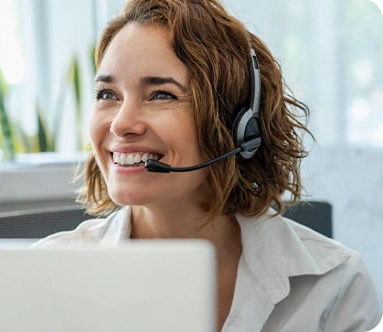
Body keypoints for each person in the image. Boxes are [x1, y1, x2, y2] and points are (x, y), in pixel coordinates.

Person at [32, 0, 383, 330]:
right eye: (107, 94)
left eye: (161, 94)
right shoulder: (44, 275)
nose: (121, 124)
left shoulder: (333, 286)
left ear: (239, 125)